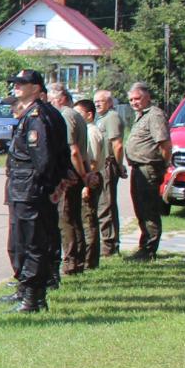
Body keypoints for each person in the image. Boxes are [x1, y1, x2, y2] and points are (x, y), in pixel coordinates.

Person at [1, 69, 67, 313]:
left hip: (30, 189)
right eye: (15, 83)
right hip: (24, 188)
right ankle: (28, 293)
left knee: (32, 243)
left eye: (22, 83)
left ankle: (32, 297)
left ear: (37, 88)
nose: (16, 86)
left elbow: (43, 158)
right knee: (25, 241)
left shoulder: (37, 116)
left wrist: (49, 186)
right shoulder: (31, 113)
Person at [123, 82, 171, 261]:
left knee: (148, 209)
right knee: (140, 209)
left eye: (137, 98)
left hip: (149, 167)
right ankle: (144, 246)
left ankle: (149, 250)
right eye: (131, 100)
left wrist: (163, 166)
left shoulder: (155, 115)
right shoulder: (141, 115)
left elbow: (164, 144)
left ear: (147, 97)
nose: (134, 102)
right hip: (138, 168)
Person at [50, 84, 91, 279]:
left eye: (52, 99)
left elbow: (73, 150)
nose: (50, 103)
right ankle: (79, 258)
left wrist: (82, 175)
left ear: (61, 99)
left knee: (65, 218)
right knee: (74, 217)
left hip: (71, 172)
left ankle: (71, 262)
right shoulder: (76, 115)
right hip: (78, 171)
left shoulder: (66, 116)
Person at [92, 89, 125, 257]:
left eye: (101, 101)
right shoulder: (101, 118)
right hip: (101, 164)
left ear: (110, 103)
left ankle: (110, 246)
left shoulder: (111, 117)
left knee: (106, 205)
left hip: (108, 163)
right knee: (102, 205)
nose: (97, 104)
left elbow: (117, 145)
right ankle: (108, 243)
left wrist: (118, 165)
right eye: (95, 101)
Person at [76, 99, 107, 271]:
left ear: (89, 115)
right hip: (89, 178)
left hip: (91, 179)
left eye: (79, 114)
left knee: (88, 220)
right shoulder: (85, 130)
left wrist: (86, 185)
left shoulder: (91, 132)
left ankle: (90, 261)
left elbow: (93, 162)